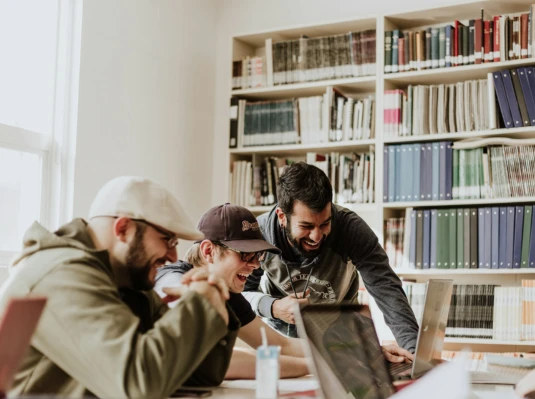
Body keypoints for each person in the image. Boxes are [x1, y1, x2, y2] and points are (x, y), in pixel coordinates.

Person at [0, 176, 239, 398]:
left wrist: (214, 304)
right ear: (123, 229)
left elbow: (197, 375)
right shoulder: (62, 275)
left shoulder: (125, 280)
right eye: (167, 240)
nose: (174, 256)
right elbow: (137, 385)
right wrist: (200, 305)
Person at [243, 161, 419, 354]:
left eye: (325, 223)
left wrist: (413, 353)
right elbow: (241, 294)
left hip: (342, 344)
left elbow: (387, 290)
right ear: (282, 216)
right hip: (282, 346)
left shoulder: (351, 229)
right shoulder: (259, 235)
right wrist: (273, 307)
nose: (316, 236)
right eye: (306, 226)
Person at [155, 203, 309, 379]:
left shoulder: (227, 293)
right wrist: (313, 367)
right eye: (245, 254)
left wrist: (335, 354)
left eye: (258, 255)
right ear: (208, 251)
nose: (255, 265)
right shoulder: (171, 279)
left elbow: (280, 345)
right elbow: (212, 359)